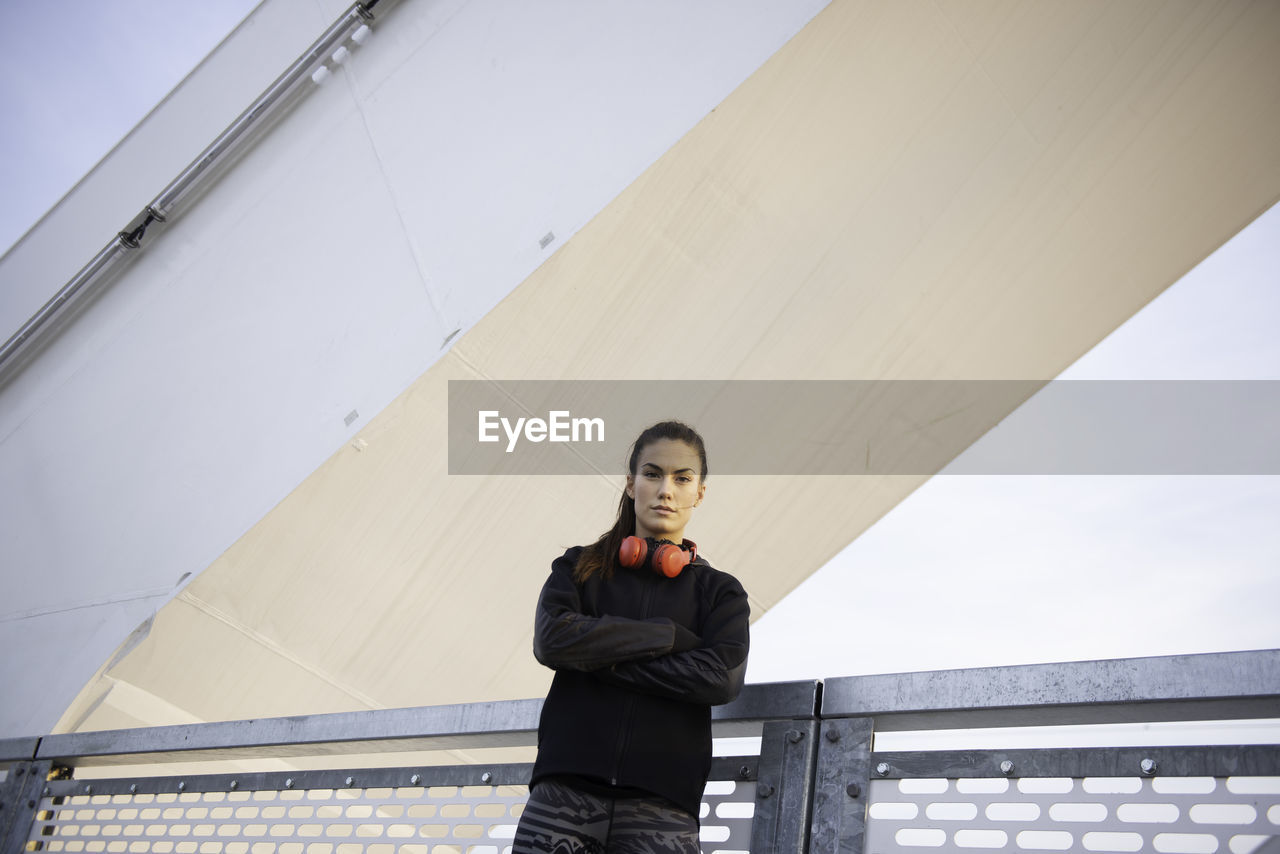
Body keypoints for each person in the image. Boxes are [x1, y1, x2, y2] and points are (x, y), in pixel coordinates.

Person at [512, 420, 751, 854]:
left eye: (682, 478)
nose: (666, 490)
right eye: (653, 473)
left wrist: (595, 657)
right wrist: (670, 635)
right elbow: (551, 641)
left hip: (662, 808)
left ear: (699, 493)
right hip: (563, 794)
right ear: (630, 483)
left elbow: (720, 680)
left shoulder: (721, 592)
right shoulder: (578, 567)